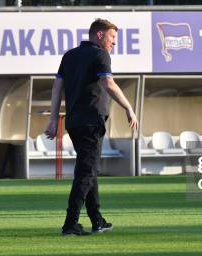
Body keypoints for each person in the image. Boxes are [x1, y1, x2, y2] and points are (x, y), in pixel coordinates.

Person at [45, 18, 138, 236]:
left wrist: (52, 120)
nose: (115, 43)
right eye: (112, 37)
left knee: (90, 170)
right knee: (86, 172)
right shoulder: (100, 55)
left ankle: (97, 220)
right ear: (99, 35)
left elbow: (57, 89)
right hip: (91, 122)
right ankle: (70, 224)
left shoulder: (70, 56)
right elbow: (109, 84)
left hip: (74, 122)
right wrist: (129, 108)